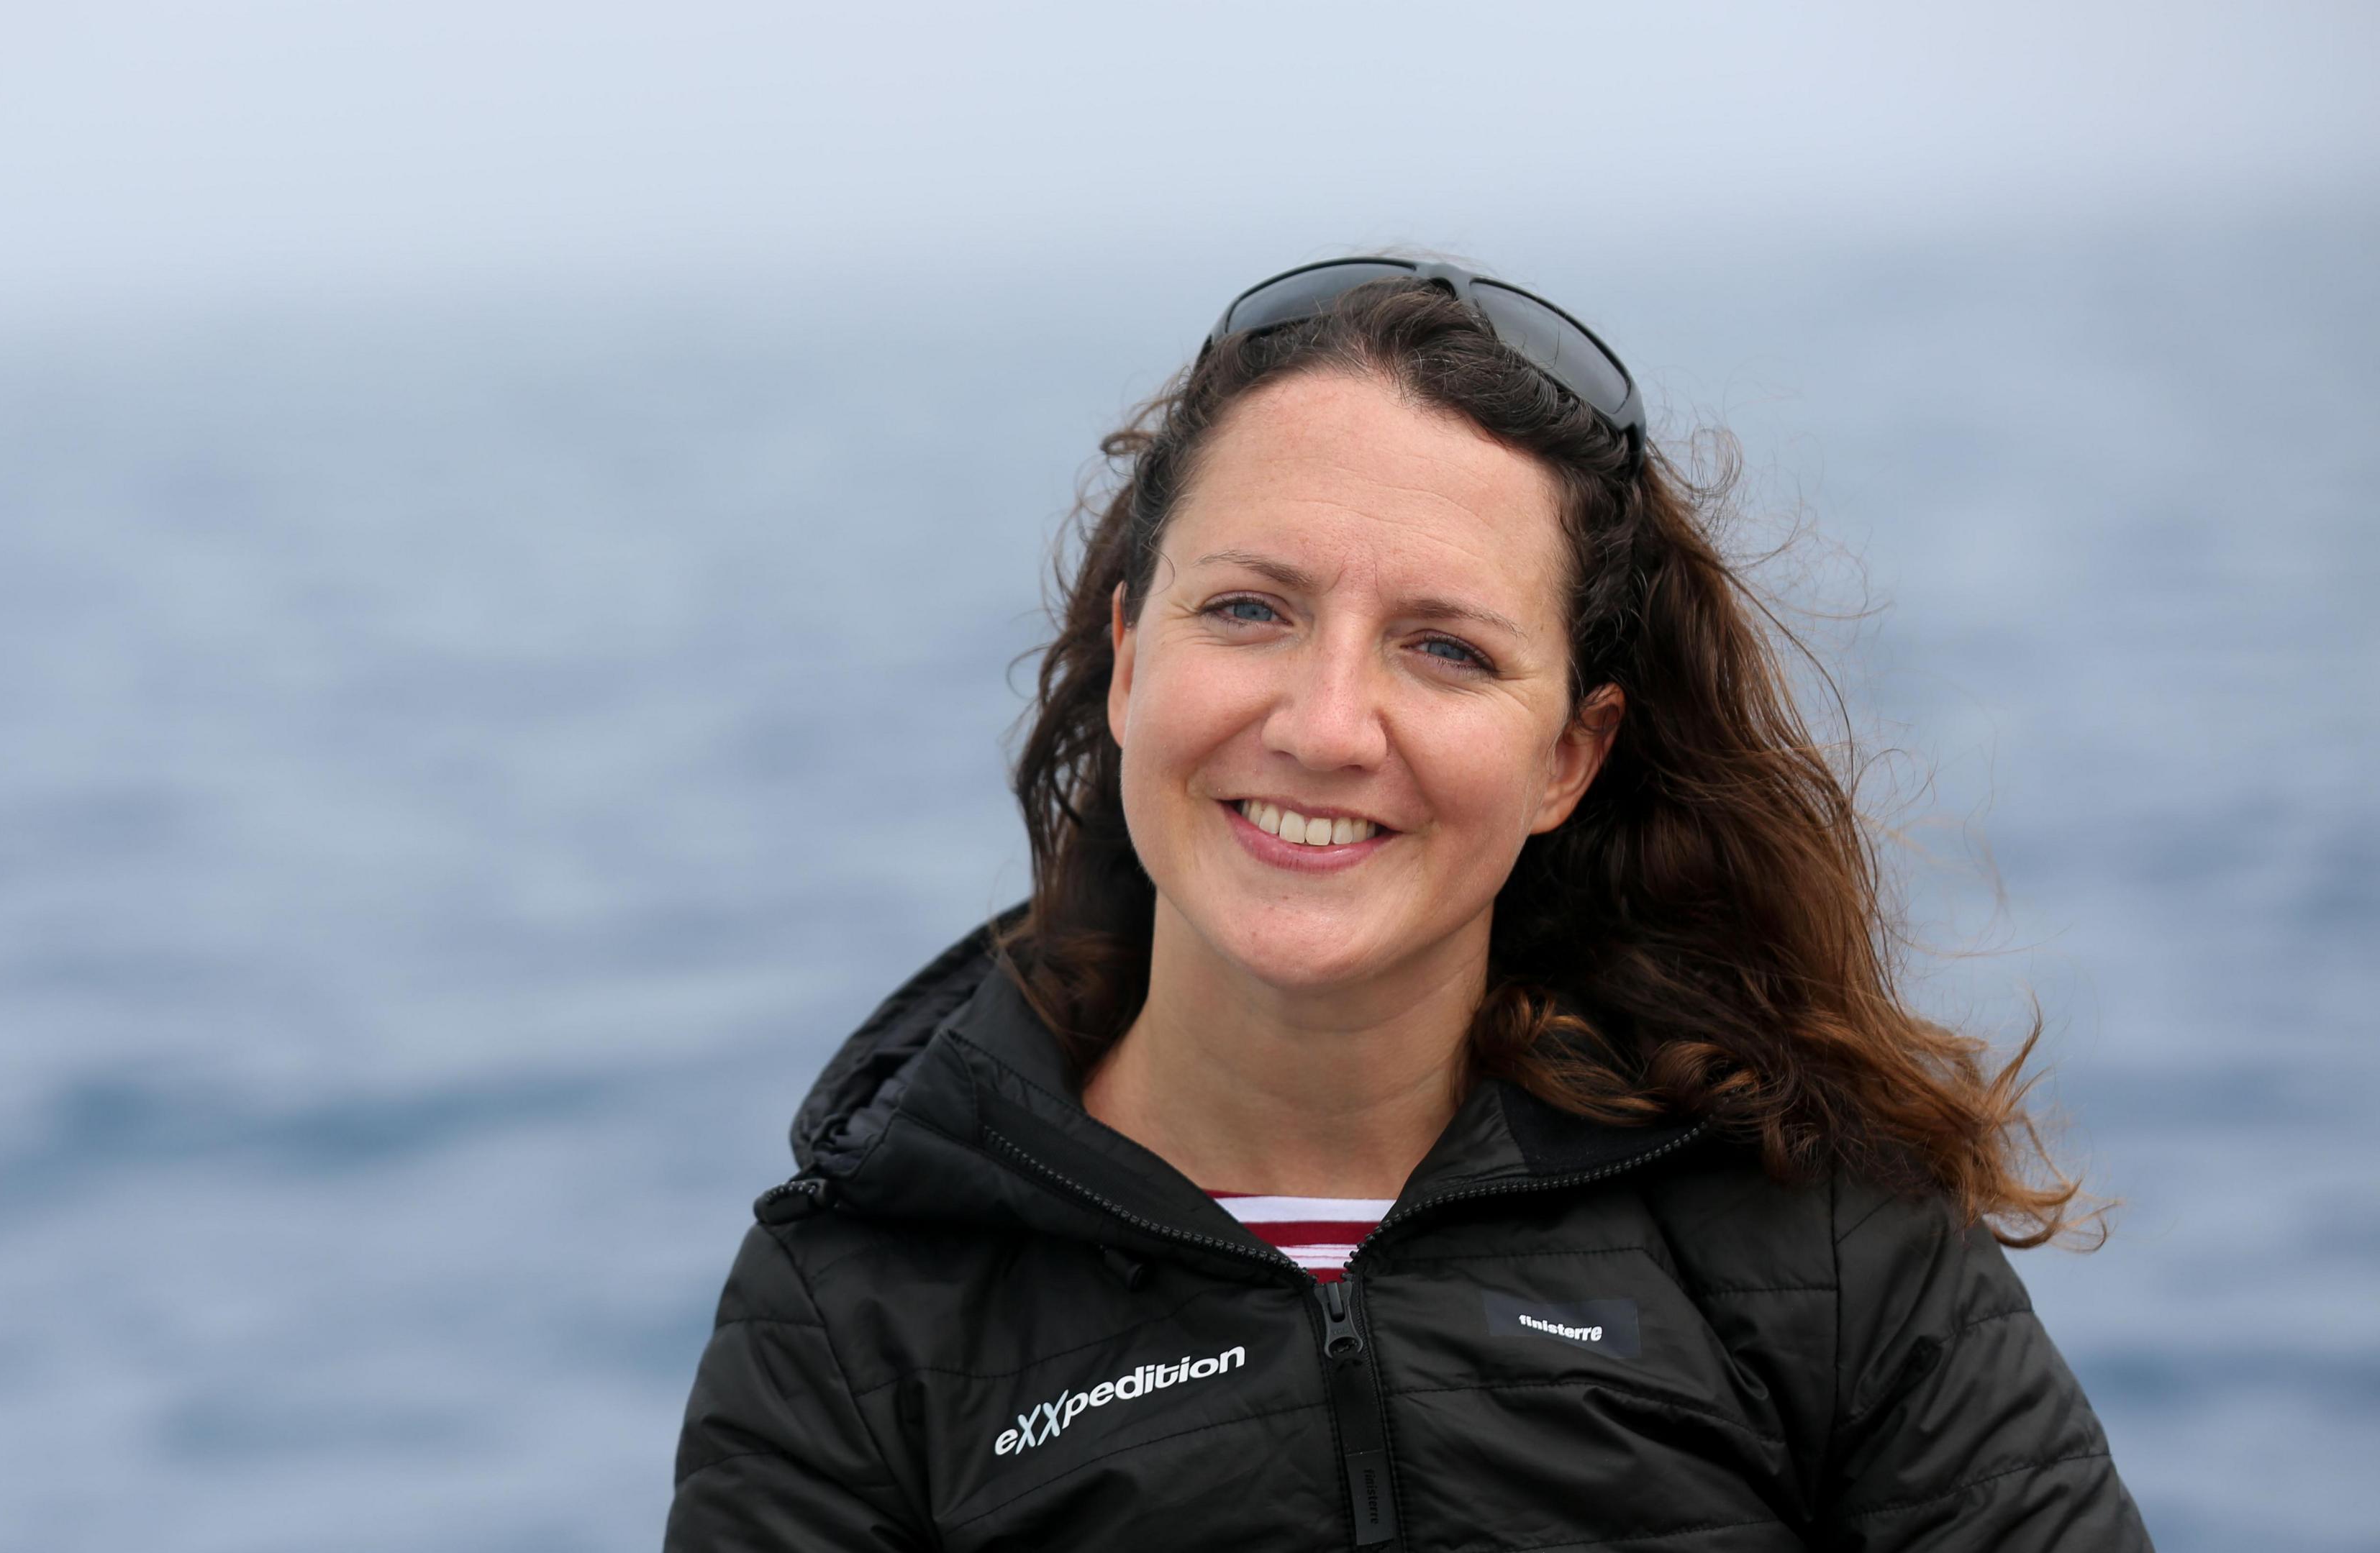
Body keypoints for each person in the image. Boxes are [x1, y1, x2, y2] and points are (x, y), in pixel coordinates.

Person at [663, 258, 2151, 1550]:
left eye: (1444, 649)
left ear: (1571, 753)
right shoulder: (853, 1305)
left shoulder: (1818, 1235)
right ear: (1130, 662)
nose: (1326, 724)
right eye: (1250, 609)